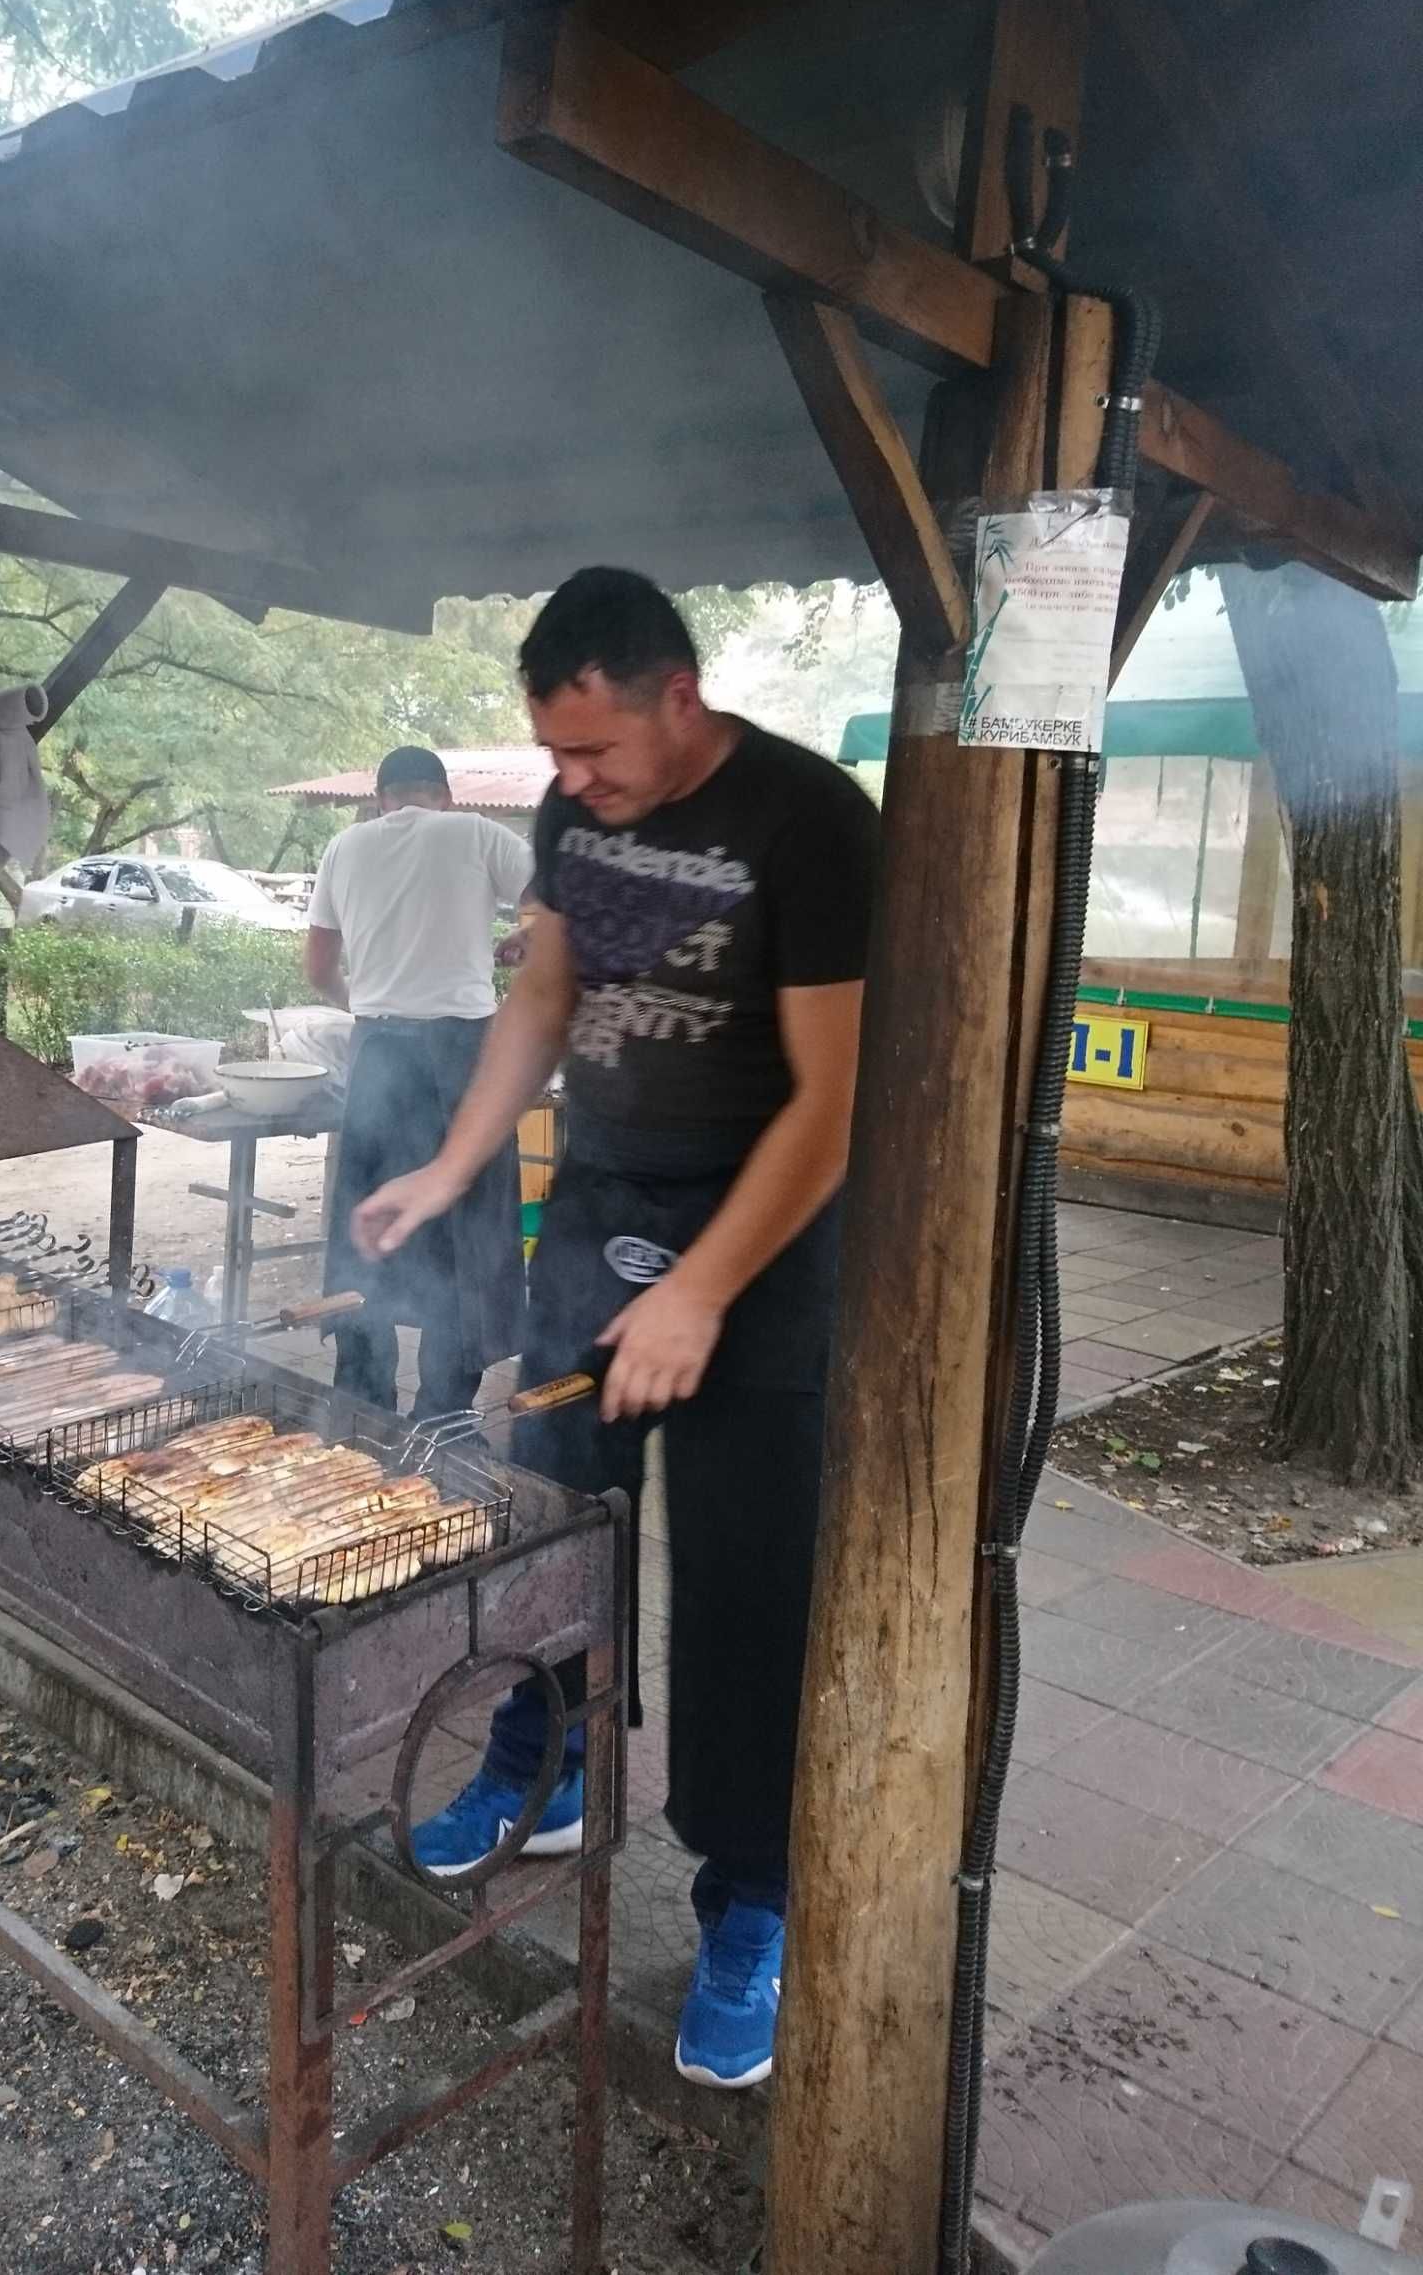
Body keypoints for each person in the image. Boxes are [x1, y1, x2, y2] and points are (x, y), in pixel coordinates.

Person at [351, 570, 879, 2092]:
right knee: (546, 1518)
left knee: (743, 1581)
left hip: (763, 1237)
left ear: (679, 695)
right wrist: (454, 1166)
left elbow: (831, 1102)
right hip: (598, 1202)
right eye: (557, 760)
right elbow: (546, 994)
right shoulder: (574, 817)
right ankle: (550, 1759)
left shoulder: (812, 822)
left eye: (597, 753)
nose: (575, 789)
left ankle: (747, 1901)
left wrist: (703, 1287)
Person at [309, 746, 532, 1421]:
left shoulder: (344, 848)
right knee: (468, 1229)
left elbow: (319, 967)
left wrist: (369, 1006)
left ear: (382, 798)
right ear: (446, 795)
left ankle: (362, 1400)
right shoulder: (477, 834)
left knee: (367, 1223)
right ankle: (442, 1412)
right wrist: (524, 937)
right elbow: (559, 909)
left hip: (377, 1049)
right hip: (461, 1051)